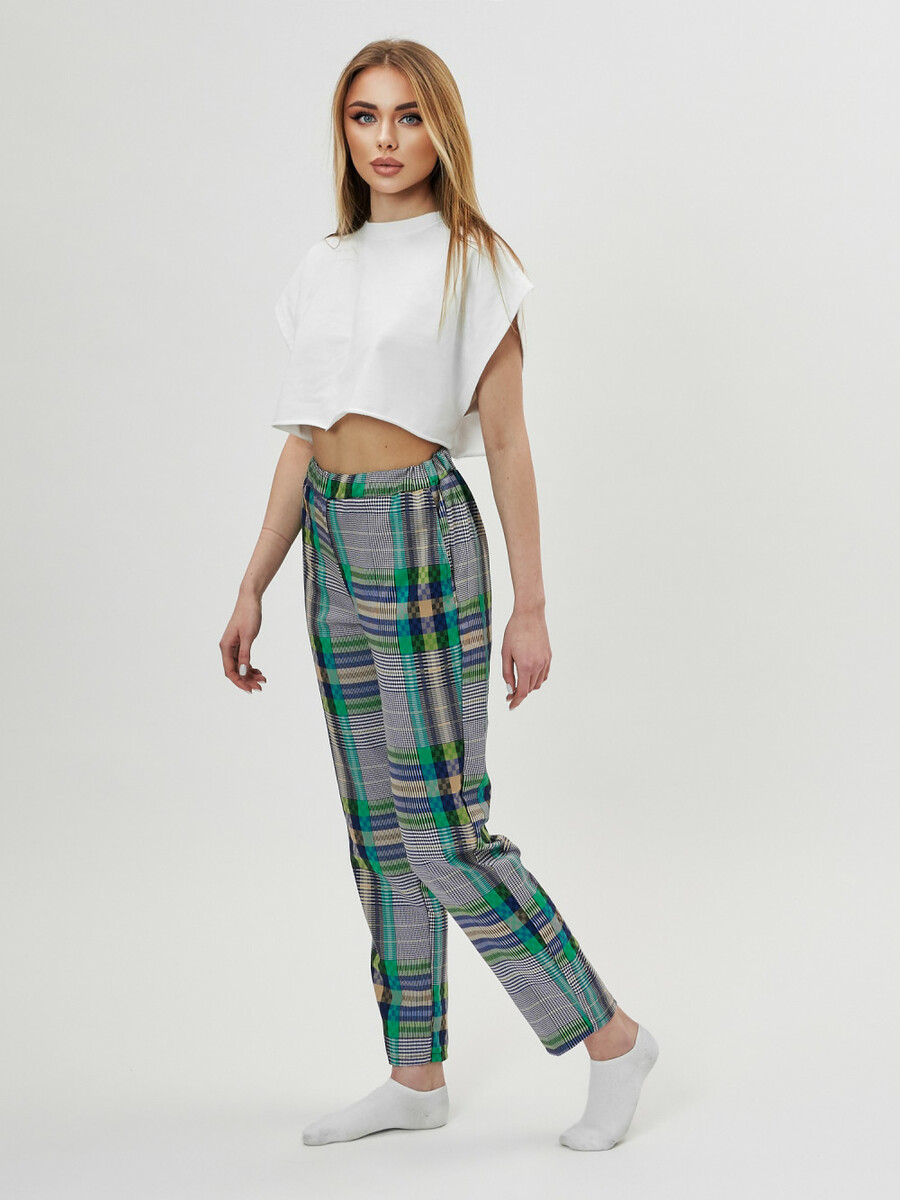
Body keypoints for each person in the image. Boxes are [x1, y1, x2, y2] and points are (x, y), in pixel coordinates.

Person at [219, 38, 658, 1152]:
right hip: (328, 533)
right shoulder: (324, 264)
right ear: (343, 131)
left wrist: (531, 606)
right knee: (379, 830)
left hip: (419, 530)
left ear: (441, 130)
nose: (386, 138)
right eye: (365, 116)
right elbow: (304, 438)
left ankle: (611, 1039)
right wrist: (253, 583)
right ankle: (415, 1076)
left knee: (445, 834)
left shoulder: (475, 262)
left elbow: (506, 443)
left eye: (408, 116)